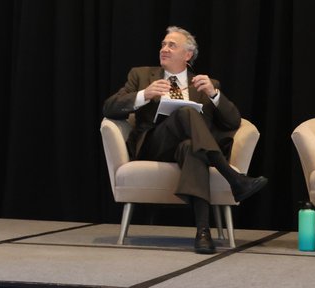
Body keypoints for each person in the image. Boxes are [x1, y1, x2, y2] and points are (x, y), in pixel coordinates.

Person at [102, 26, 267, 254]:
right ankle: (234, 178)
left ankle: (202, 233)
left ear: (187, 55)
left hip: (190, 147)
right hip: (155, 145)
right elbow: (109, 108)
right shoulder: (141, 76)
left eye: (172, 45)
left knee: (192, 148)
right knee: (187, 113)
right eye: (163, 44)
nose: (164, 49)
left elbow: (233, 121)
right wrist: (145, 95)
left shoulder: (205, 84)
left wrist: (214, 95)